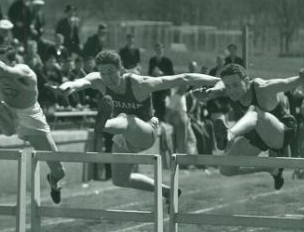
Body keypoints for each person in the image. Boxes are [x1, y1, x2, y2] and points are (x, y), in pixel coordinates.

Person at [58, 49, 219, 198]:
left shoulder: (139, 84)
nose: (108, 78)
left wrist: (219, 81)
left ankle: (102, 125)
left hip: (146, 132)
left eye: (112, 72)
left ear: (120, 69)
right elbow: (79, 82)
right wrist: (66, 86)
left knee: (127, 119)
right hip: (122, 136)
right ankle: (166, 191)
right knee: (120, 180)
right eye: (103, 73)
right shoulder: (98, 80)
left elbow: (183, 78)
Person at [0, 25, 65, 203]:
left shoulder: (24, 70)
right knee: (2, 117)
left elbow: (5, 70)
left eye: (2, 62)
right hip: (9, 108)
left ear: (13, 62)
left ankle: (54, 182)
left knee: (59, 171)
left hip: (31, 117)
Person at [194, 64, 304, 190]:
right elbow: (221, 84)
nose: (232, 90)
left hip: (282, 131)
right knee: (226, 168)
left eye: (235, 85)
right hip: (258, 133)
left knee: (254, 110)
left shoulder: (263, 88)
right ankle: (270, 169)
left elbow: (289, 82)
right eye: (228, 87)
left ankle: (229, 134)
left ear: (246, 81)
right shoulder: (230, 89)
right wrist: (210, 92)